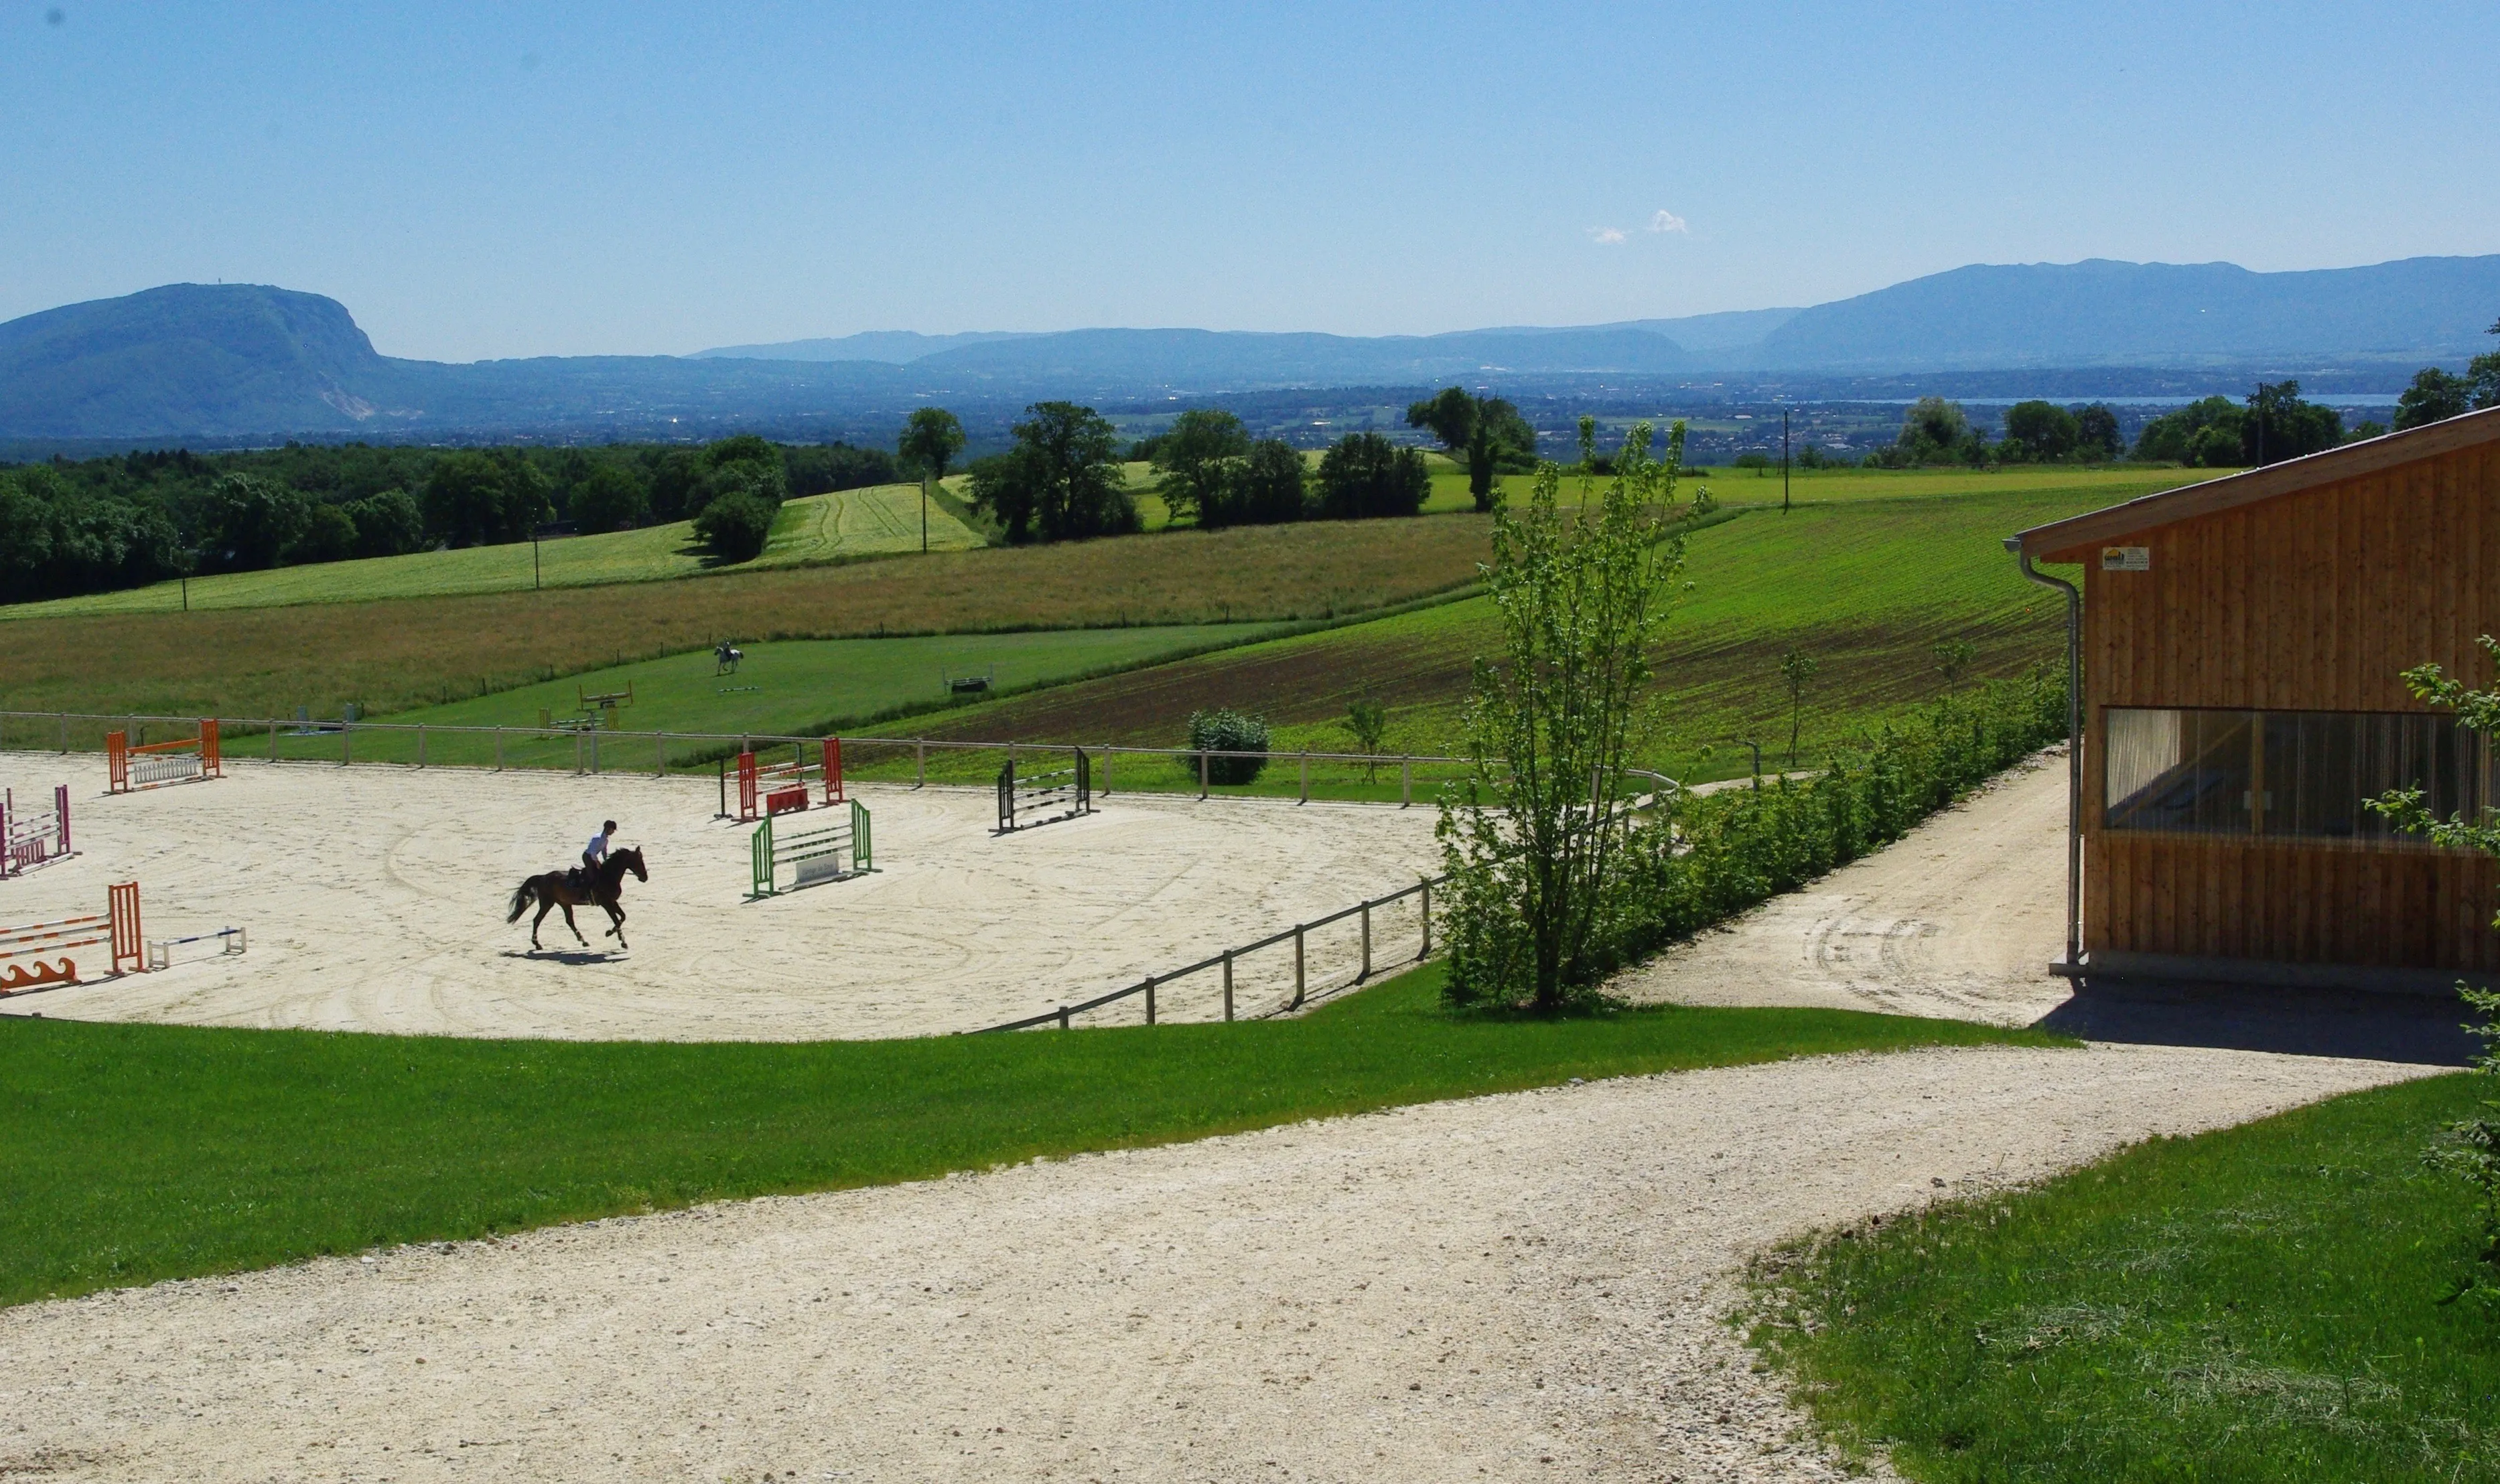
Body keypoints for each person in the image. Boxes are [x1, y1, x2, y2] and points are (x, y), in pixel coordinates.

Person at [571, 820, 618, 892]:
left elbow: (604, 851)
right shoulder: (598, 838)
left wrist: (606, 861)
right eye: (613, 830)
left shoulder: (605, 840)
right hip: (588, 857)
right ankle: (585, 893)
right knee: (592, 876)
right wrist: (597, 862)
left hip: (593, 858)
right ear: (609, 829)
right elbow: (593, 852)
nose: (613, 832)